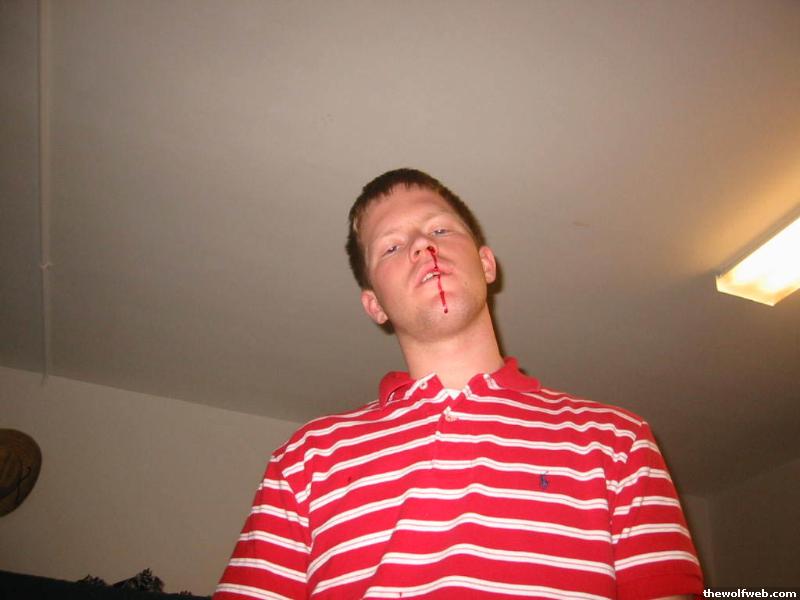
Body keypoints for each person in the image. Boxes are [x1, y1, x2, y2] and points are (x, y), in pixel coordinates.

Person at [213, 169, 703, 599]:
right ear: (374, 305)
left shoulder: (618, 441)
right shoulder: (305, 460)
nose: (423, 246)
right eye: (392, 246)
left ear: (487, 264)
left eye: (440, 229)